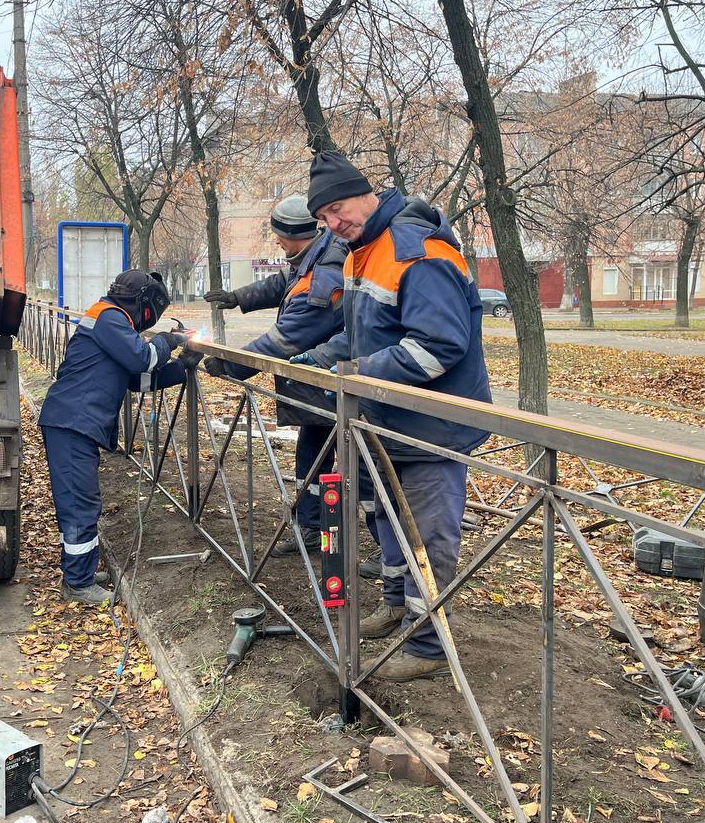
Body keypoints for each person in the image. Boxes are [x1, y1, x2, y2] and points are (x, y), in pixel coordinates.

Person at [294, 151, 492, 682]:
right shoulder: (362, 251)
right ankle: (396, 605)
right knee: (384, 518)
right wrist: (314, 359)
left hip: (431, 427)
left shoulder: (417, 252)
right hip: (385, 421)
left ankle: (428, 647)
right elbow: (362, 334)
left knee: (428, 536)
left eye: (337, 209)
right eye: (323, 218)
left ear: (365, 195)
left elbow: (438, 346)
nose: (332, 224)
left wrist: (358, 372)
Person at [39, 270, 194, 605]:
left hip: (74, 423)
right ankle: (77, 583)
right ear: (144, 303)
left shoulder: (112, 320)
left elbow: (135, 380)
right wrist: (168, 341)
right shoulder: (109, 317)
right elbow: (142, 359)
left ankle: (80, 571)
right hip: (71, 423)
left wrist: (181, 367)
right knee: (79, 503)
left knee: (83, 500)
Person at [202, 195, 346, 554]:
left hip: (334, 382)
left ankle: (385, 553)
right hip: (321, 381)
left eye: (279, 235)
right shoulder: (316, 254)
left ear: (295, 234)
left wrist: (230, 364)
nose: (276, 241)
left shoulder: (324, 278)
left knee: (357, 466)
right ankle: (312, 527)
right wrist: (239, 297)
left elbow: (282, 342)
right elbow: (283, 282)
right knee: (312, 453)